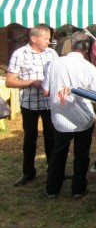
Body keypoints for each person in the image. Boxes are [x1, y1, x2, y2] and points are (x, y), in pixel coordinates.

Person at [42, 31, 96, 199]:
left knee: (58, 152)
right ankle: (78, 189)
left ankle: (52, 189)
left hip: (60, 116)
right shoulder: (89, 67)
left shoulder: (54, 64)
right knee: (81, 153)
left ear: (71, 45)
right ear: (86, 49)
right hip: (83, 118)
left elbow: (46, 90)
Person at [6, 23, 58, 187]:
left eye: (49, 39)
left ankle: (53, 172)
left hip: (49, 103)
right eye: (45, 39)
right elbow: (9, 81)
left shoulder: (52, 54)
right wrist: (32, 82)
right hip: (29, 104)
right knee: (30, 139)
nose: (48, 42)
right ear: (33, 38)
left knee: (52, 138)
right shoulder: (19, 54)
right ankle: (28, 172)